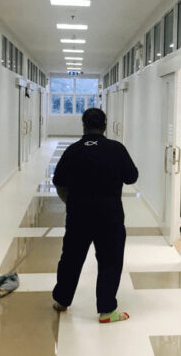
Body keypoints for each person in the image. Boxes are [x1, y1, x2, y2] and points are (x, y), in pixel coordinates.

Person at [51, 107, 139, 323]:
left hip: (78, 216)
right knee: (110, 261)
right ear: (105, 125)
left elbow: (58, 181)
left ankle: (62, 300)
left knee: (71, 258)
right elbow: (131, 177)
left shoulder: (73, 150)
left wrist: (70, 202)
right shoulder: (116, 149)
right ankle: (107, 310)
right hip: (110, 217)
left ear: (84, 125)